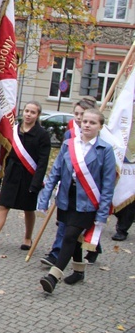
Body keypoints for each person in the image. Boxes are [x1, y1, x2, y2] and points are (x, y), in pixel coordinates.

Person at [36, 109, 116, 293]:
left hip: (88, 201)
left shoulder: (105, 150)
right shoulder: (68, 144)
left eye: (92, 122)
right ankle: (79, 272)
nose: (87, 125)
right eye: (85, 121)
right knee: (76, 237)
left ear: (100, 127)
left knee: (70, 236)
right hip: (67, 197)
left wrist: (102, 214)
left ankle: (53, 277)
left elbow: (108, 185)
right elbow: (55, 172)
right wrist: (44, 199)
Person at [0, 101, 51, 252]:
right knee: (3, 206)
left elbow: (43, 162)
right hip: (12, 173)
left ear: (38, 115)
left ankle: (28, 238)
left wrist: (36, 183)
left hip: (29, 176)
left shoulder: (42, 135)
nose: (29, 114)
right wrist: (0, 175)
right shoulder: (14, 130)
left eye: (33, 112)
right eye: (27, 111)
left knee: (28, 209)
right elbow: (5, 153)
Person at [40, 96, 97, 266]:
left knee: (81, 228)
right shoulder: (69, 135)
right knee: (65, 225)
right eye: (76, 114)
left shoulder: (99, 139)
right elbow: (60, 163)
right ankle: (56, 253)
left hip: (87, 191)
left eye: (82, 114)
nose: (79, 118)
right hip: (68, 189)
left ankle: (94, 247)